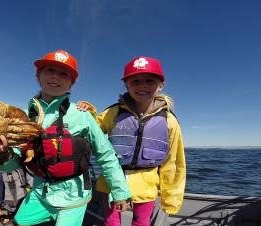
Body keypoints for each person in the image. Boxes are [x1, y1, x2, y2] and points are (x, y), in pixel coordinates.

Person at [0, 50, 131, 226]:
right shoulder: (23, 117)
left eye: (64, 74)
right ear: (38, 76)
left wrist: (120, 192)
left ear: (71, 83)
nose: (56, 77)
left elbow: (106, 155)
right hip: (39, 192)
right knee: (17, 223)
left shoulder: (83, 116)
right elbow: (13, 163)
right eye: (50, 70)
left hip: (74, 197)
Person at [77, 56, 186, 226]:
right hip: (111, 181)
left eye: (149, 81)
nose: (142, 86)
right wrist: (87, 112)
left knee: (141, 223)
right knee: (111, 223)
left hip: (147, 185)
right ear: (126, 85)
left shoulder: (169, 121)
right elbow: (89, 131)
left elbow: (174, 162)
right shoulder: (113, 112)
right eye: (135, 81)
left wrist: (171, 198)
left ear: (160, 85)